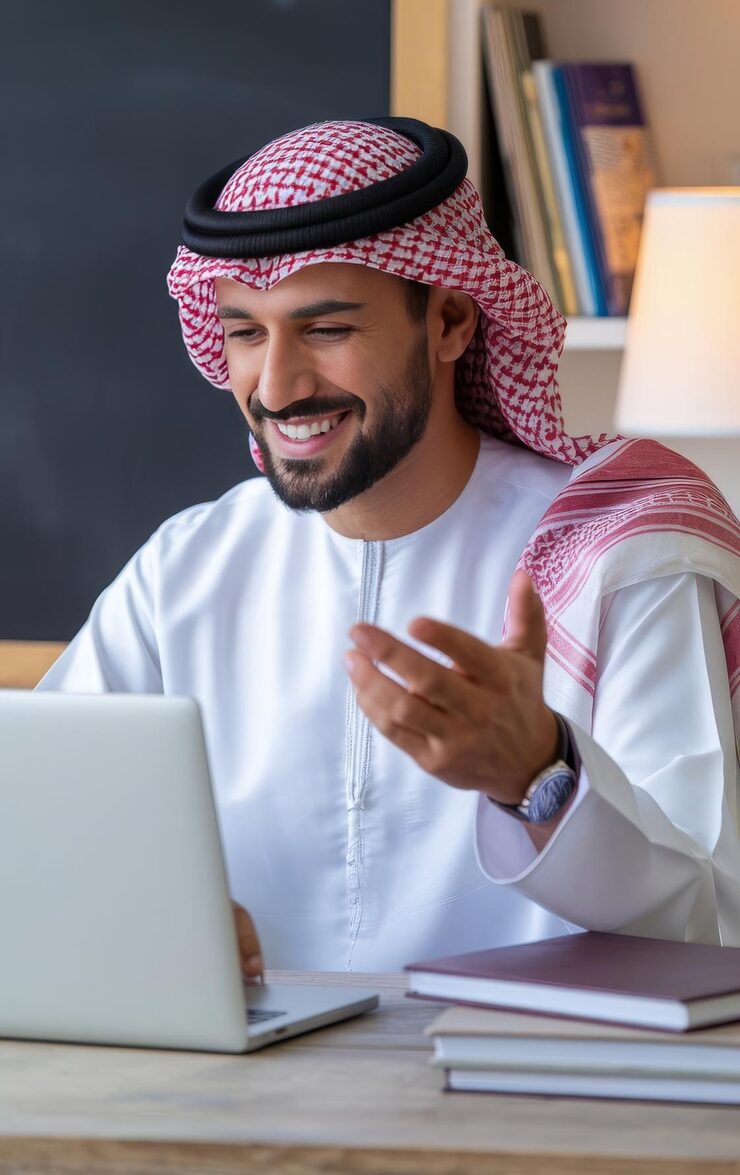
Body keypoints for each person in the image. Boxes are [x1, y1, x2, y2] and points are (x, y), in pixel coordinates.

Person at [37, 117, 740, 980]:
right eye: (246, 333)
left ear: (448, 321)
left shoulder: (620, 549)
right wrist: (130, 921)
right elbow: (33, 833)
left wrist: (541, 775)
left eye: (325, 329)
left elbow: (710, 924)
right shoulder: (185, 569)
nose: (277, 386)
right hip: (239, 1104)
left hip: (535, 1098)